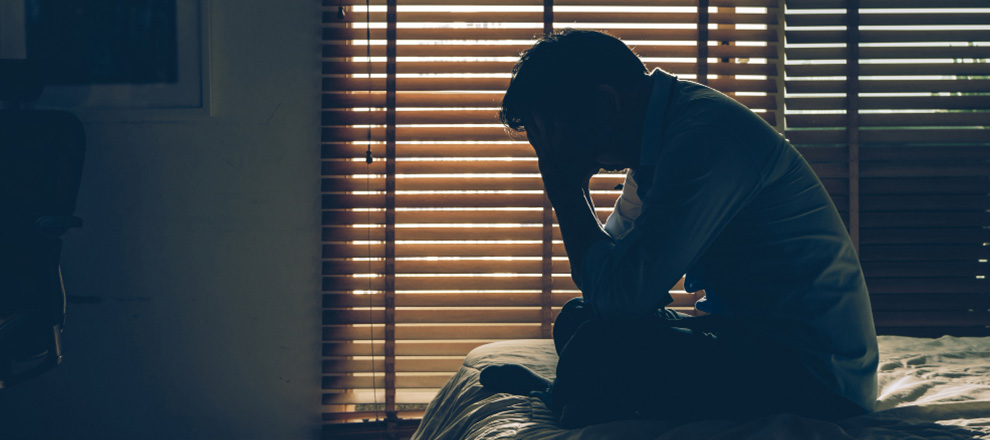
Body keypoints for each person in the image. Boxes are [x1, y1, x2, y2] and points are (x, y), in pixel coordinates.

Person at [478, 29, 879, 429]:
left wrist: (565, 191)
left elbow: (623, 298)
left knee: (598, 344)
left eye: (557, 134)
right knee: (577, 319)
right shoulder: (659, 140)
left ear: (604, 102)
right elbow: (606, 281)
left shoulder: (706, 139)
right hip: (745, 337)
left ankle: (568, 395)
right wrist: (569, 190)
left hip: (815, 376)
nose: (554, 151)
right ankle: (571, 394)